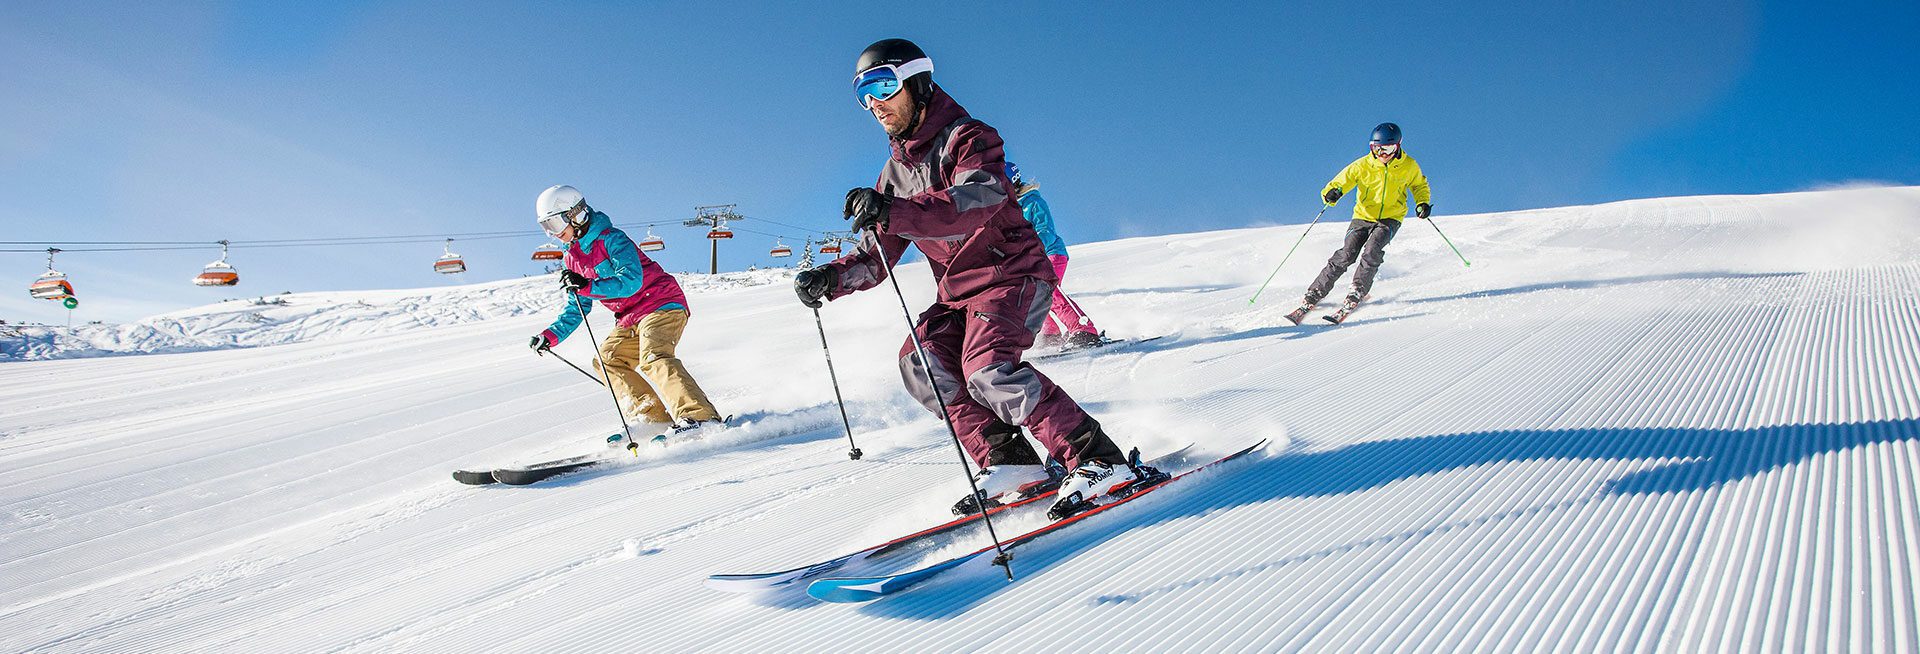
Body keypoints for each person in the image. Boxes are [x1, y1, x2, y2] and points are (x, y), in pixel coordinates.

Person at [794, 39, 1159, 517]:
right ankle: (1011, 462)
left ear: (917, 83)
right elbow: (875, 257)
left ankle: (1099, 459)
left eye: (883, 85)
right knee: (921, 362)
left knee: (987, 369)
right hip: (958, 294)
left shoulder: (969, 138)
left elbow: (977, 201)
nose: (874, 104)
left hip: (1012, 274)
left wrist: (895, 209)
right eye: (863, 93)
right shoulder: (893, 176)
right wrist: (831, 278)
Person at [528, 185, 723, 444]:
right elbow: (578, 306)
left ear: (575, 214)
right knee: (608, 359)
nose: (554, 233)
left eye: (554, 223)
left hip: (661, 304)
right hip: (629, 318)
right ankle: (654, 419)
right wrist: (550, 336)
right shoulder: (571, 258)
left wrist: (586, 285)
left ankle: (700, 417)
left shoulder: (612, 239)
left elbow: (631, 281)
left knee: (653, 356)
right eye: (546, 227)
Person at [1287, 122, 1433, 323]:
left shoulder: (1409, 166)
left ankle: (1357, 290)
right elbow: (1342, 181)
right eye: (1377, 148)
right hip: (1362, 216)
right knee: (1346, 254)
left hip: (1390, 218)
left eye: (1387, 148)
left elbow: (1419, 185)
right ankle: (1315, 292)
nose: (1382, 153)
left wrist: (1422, 203)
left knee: (1372, 251)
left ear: (1397, 146)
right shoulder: (1363, 165)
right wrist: (1332, 192)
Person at [1006, 162, 1104, 349]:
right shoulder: (1010, 209)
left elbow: (1046, 231)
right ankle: (1049, 335)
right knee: (1031, 297)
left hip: (1051, 253)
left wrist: (1032, 248)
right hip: (1029, 260)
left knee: (1049, 291)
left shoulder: (1033, 202)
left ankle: (1084, 330)